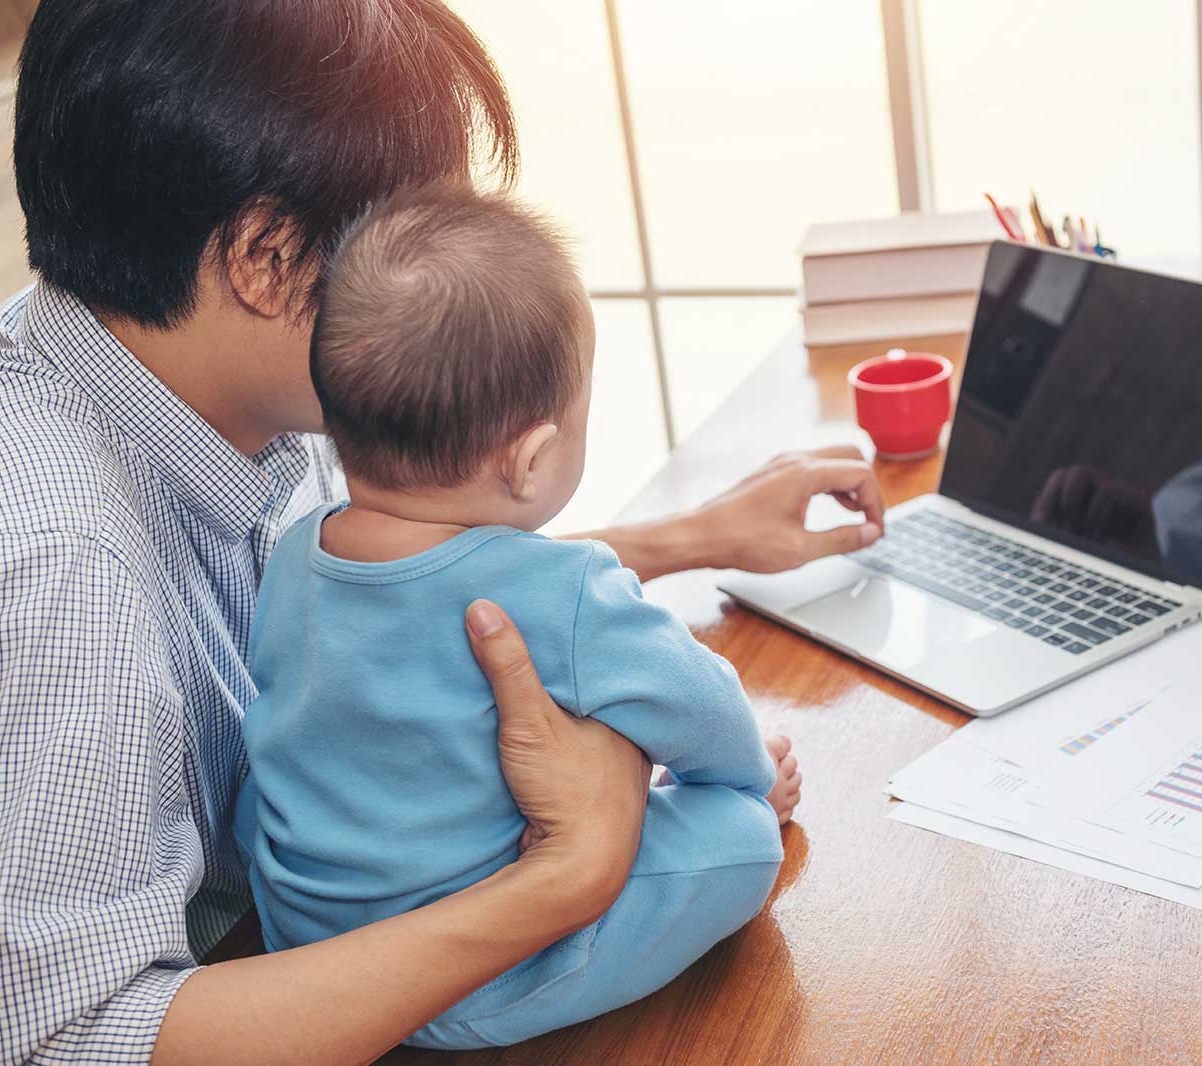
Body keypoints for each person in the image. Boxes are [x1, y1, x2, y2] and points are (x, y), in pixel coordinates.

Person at [0, 3, 883, 1063]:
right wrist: (562, 880)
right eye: (408, 227)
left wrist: (691, 535)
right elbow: (47, 1041)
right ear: (263, 256)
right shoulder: (55, 569)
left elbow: (411, 581)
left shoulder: (195, 378)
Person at [236, 186, 801, 1049]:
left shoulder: (291, 553)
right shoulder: (564, 588)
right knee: (744, 840)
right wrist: (755, 772)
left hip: (307, 952)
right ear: (534, 459)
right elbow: (700, 706)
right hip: (487, 974)